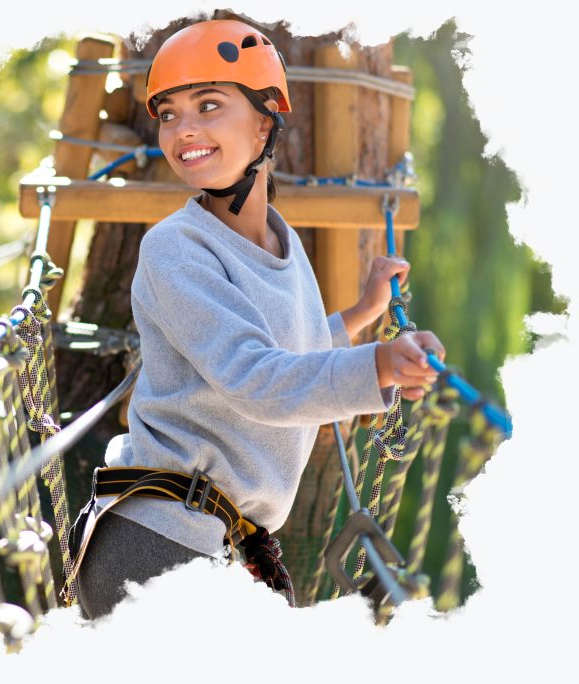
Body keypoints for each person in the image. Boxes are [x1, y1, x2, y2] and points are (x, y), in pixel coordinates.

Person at [68, 19, 446, 619]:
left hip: (216, 545)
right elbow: (255, 379)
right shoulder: (176, 250)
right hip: (157, 544)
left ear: (264, 122)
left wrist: (363, 314)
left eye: (208, 105)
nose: (182, 129)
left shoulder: (281, 242)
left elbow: (285, 351)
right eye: (168, 114)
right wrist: (376, 366)